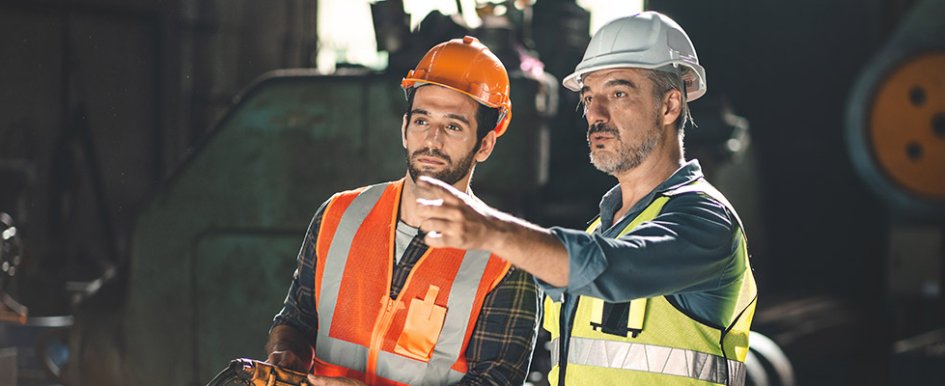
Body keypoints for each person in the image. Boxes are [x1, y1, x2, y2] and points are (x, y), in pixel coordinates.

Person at [414, 12, 757, 386]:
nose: (594, 114)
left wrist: (490, 230)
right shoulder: (602, 230)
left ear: (669, 106)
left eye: (618, 93)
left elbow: (611, 267)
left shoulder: (704, 220)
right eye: (589, 96)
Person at [265, 36, 540, 386]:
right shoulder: (339, 214)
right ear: (404, 129)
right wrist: (287, 352)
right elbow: (297, 319)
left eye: (453, 126)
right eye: (422, 121)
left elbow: (494, 381)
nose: (432, 140)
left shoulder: (505, 260)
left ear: (484, 144)